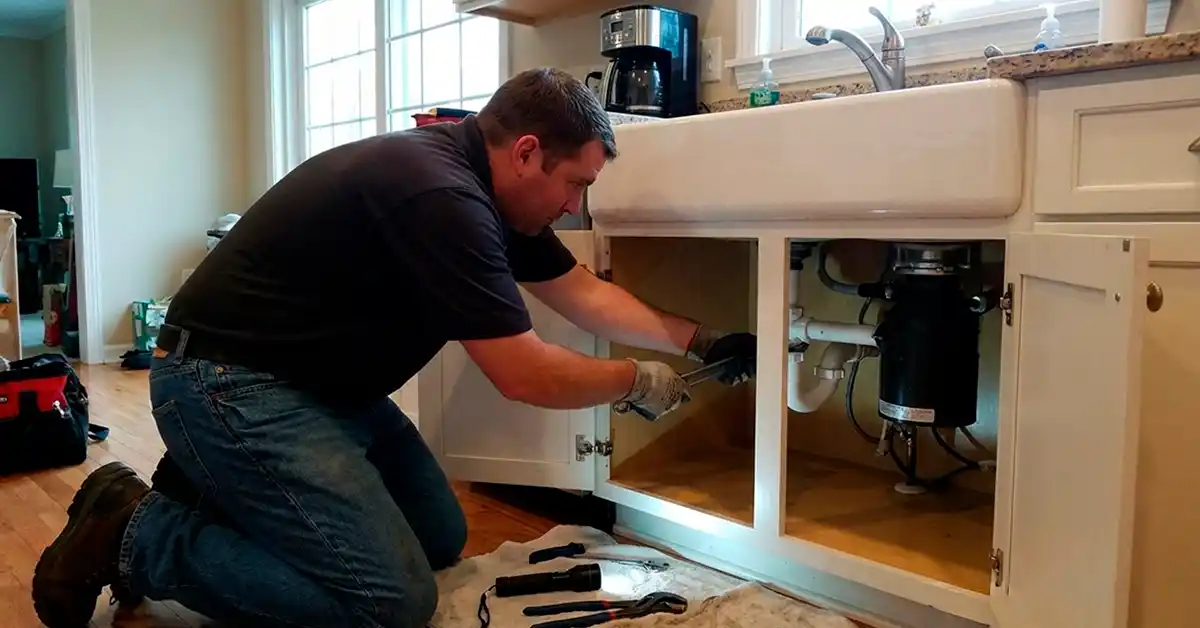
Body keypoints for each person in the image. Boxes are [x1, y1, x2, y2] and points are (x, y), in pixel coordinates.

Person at [31, 68, 756, 628]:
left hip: (323, 393)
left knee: (436, 539)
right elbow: (523, 373)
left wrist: (703, 339)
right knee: (388, 603)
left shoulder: (490, 192)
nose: (575, 206)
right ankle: (138, 533)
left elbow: (584, 294)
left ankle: (219, 497)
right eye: (575, 184)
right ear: (528, 152)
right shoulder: (443, 198)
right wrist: (633, 381)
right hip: (227, 383)